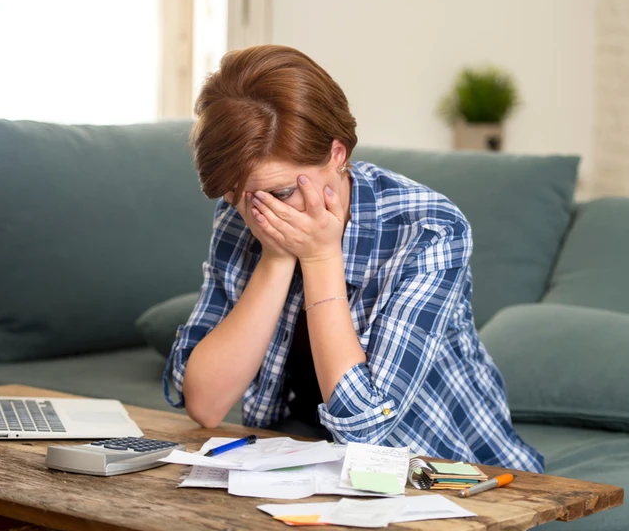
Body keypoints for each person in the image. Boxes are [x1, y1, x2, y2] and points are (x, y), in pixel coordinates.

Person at [163, 45, 544, 473]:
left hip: (439, 466)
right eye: (236, 194)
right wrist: (276, 257)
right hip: (307, 459)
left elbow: (367, 432)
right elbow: (205, 404)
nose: (259, 213)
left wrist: (321, 257)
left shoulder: (429, 229)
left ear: (337, 154)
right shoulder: (242, 214)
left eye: (281, 193)